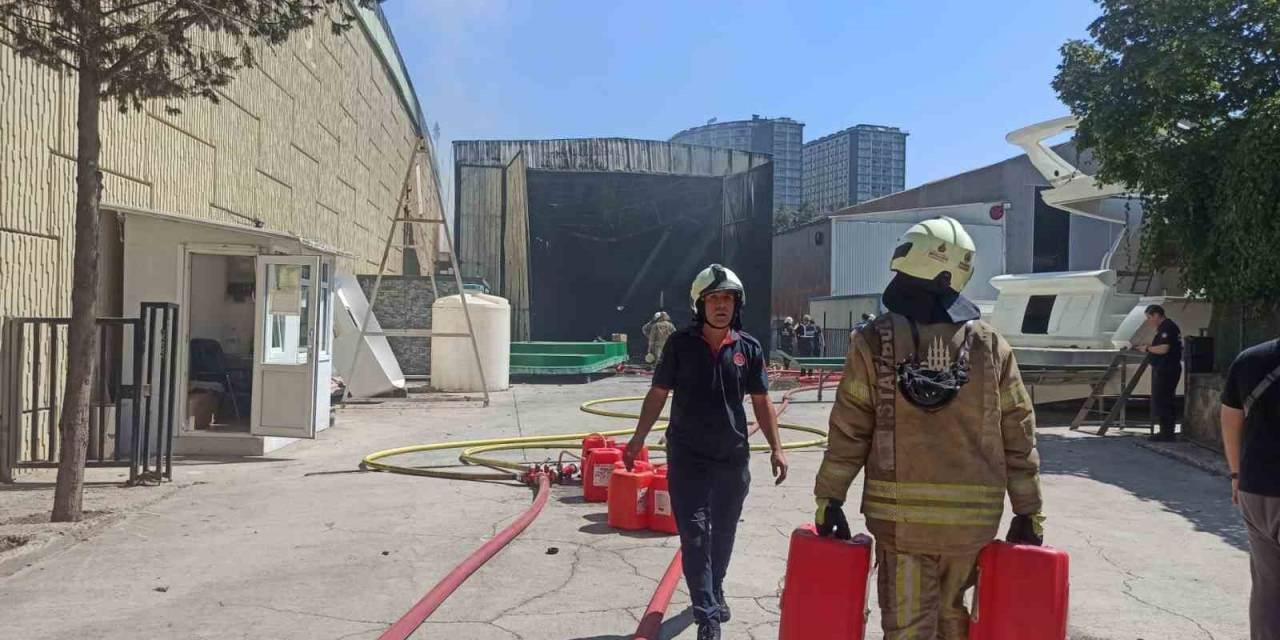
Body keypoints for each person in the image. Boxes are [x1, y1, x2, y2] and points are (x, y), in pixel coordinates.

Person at [812, 216, 1044, 640]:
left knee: (906, 629)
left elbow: (849, 431)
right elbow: (1019, 432)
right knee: (954, 624)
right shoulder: (992, 346)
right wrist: (1029, 509)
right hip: (972, 526)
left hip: (901, 526)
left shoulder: (872, 341)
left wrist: (830, 497)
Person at [624, 264, 789, 640]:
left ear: (737, 304)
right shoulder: (680, 345)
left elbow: (762, 401)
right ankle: (707, 615)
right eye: (713, 298)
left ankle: (716, 588)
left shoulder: (749, 348)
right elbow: (658, 394)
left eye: (727, 298)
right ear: (700, 304)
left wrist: (776, 448)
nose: (721, 305)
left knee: (724, 532)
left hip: (732, 456)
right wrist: (638, 440)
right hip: (688, 455)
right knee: (695, 534)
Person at [1220, 337, 1280, 640]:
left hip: (1255, 489)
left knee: (1268, 588)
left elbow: (1230, 419)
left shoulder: (1249, 359)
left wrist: (1235, 474)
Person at [1135, 304, 1182, 441]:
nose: (1149, 321)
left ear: (1156, 315)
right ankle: (1165, 431)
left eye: (1149, 317)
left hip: (1167, 369)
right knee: (1161, 399)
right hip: (1164, 368)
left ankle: (1167, 433)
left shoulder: (1168, 327)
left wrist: (1148, 348)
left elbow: (1164, 348)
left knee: (1164, 400)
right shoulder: (1164, 328)